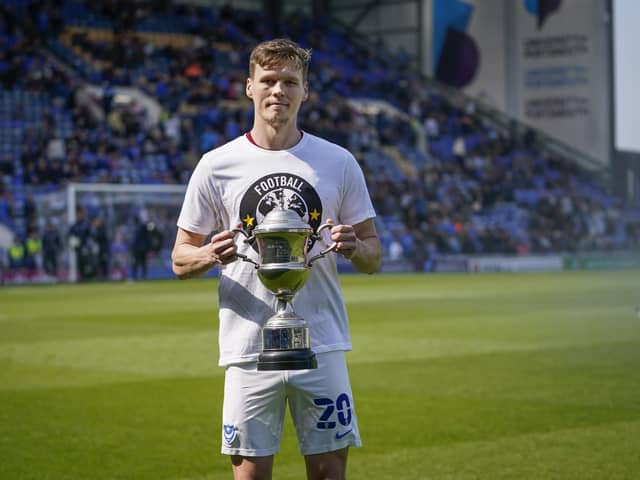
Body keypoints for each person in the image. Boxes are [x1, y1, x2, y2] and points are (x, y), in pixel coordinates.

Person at [171, 38, 382, 480]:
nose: (278, 91)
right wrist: (210, 253)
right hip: (248, 350)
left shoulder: (338, 162)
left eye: (290, 82)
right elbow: (179, 258)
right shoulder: (216, 165)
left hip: (320, 343)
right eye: (268, 80)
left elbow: (373, 254)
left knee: (329, 474)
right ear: (249, 87)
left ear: (306, 91)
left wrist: (354, 247)